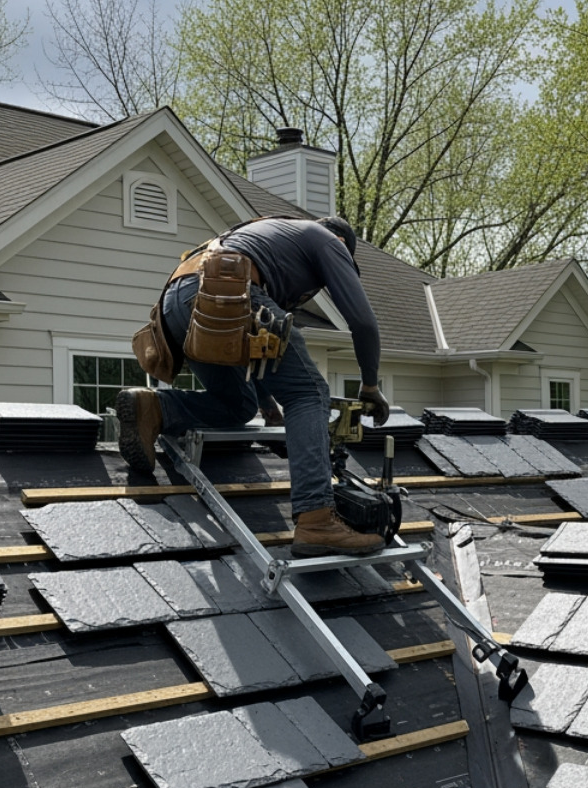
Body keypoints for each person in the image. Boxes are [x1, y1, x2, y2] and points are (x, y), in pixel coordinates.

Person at [117, 216, 392, 556]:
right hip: (227, 290)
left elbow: (260, 348)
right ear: (340, 243)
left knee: (237, 405)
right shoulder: (327, 240)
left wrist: (268, 407)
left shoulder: (272, 240)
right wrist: (368, 385)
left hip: (179, 301)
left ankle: (156, 408)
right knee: (309, 393)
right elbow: (363, 322)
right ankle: (316, 520)